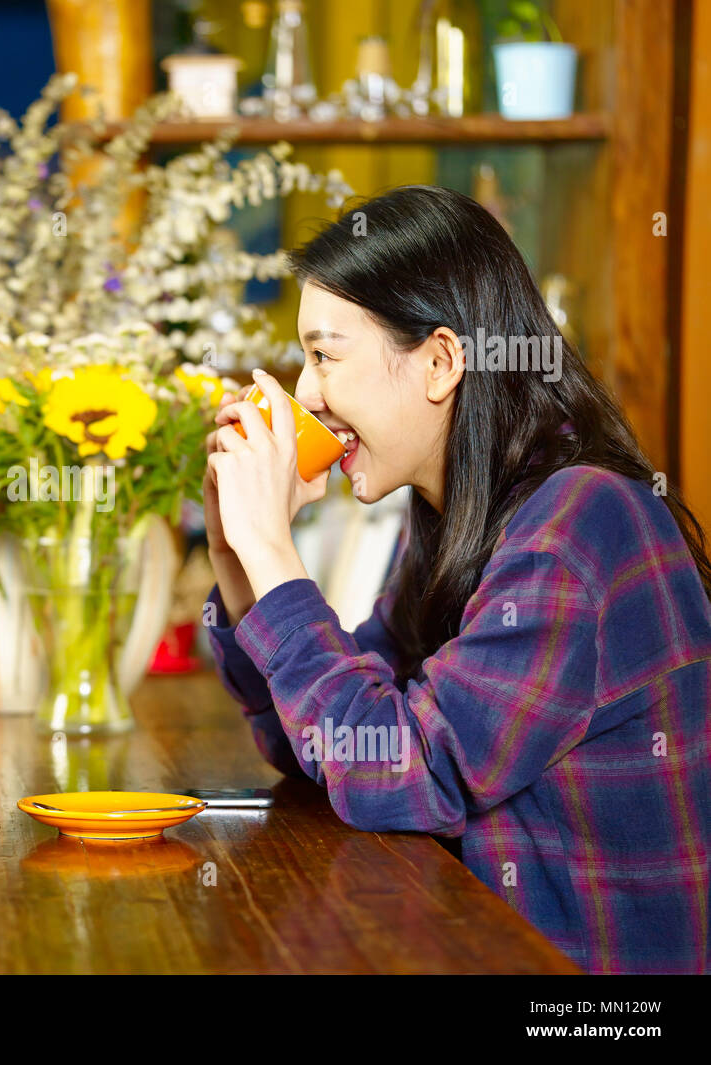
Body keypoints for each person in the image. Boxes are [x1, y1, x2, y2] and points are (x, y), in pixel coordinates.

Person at [203, 185, 711, 975]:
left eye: (324, 355)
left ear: (440, 361)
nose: (306, 393)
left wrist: (275, 553)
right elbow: (328, 745)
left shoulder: (581, 520)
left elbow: (409, 774)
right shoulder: (461, 515)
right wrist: (241, 562)